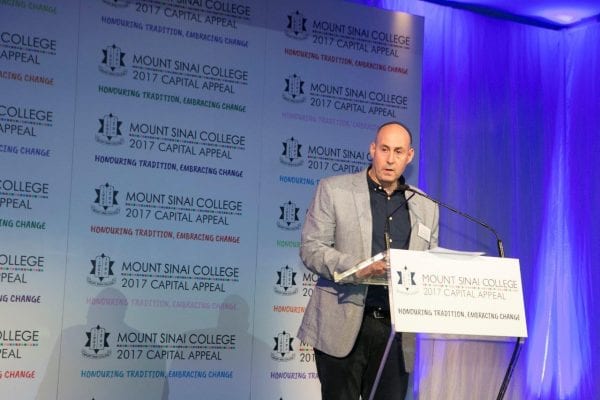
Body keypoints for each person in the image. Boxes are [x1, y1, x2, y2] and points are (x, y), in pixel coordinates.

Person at [297, 121, 439, 400]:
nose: (390, 159)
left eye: (398, 151)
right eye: (384, 149)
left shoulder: (426, 205)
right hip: (343, 323)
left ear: (409, 156)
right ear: (372, 149)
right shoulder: (334, 190)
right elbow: (311, 248)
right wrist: (359, 267)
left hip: (396, 332)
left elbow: (428, 262)